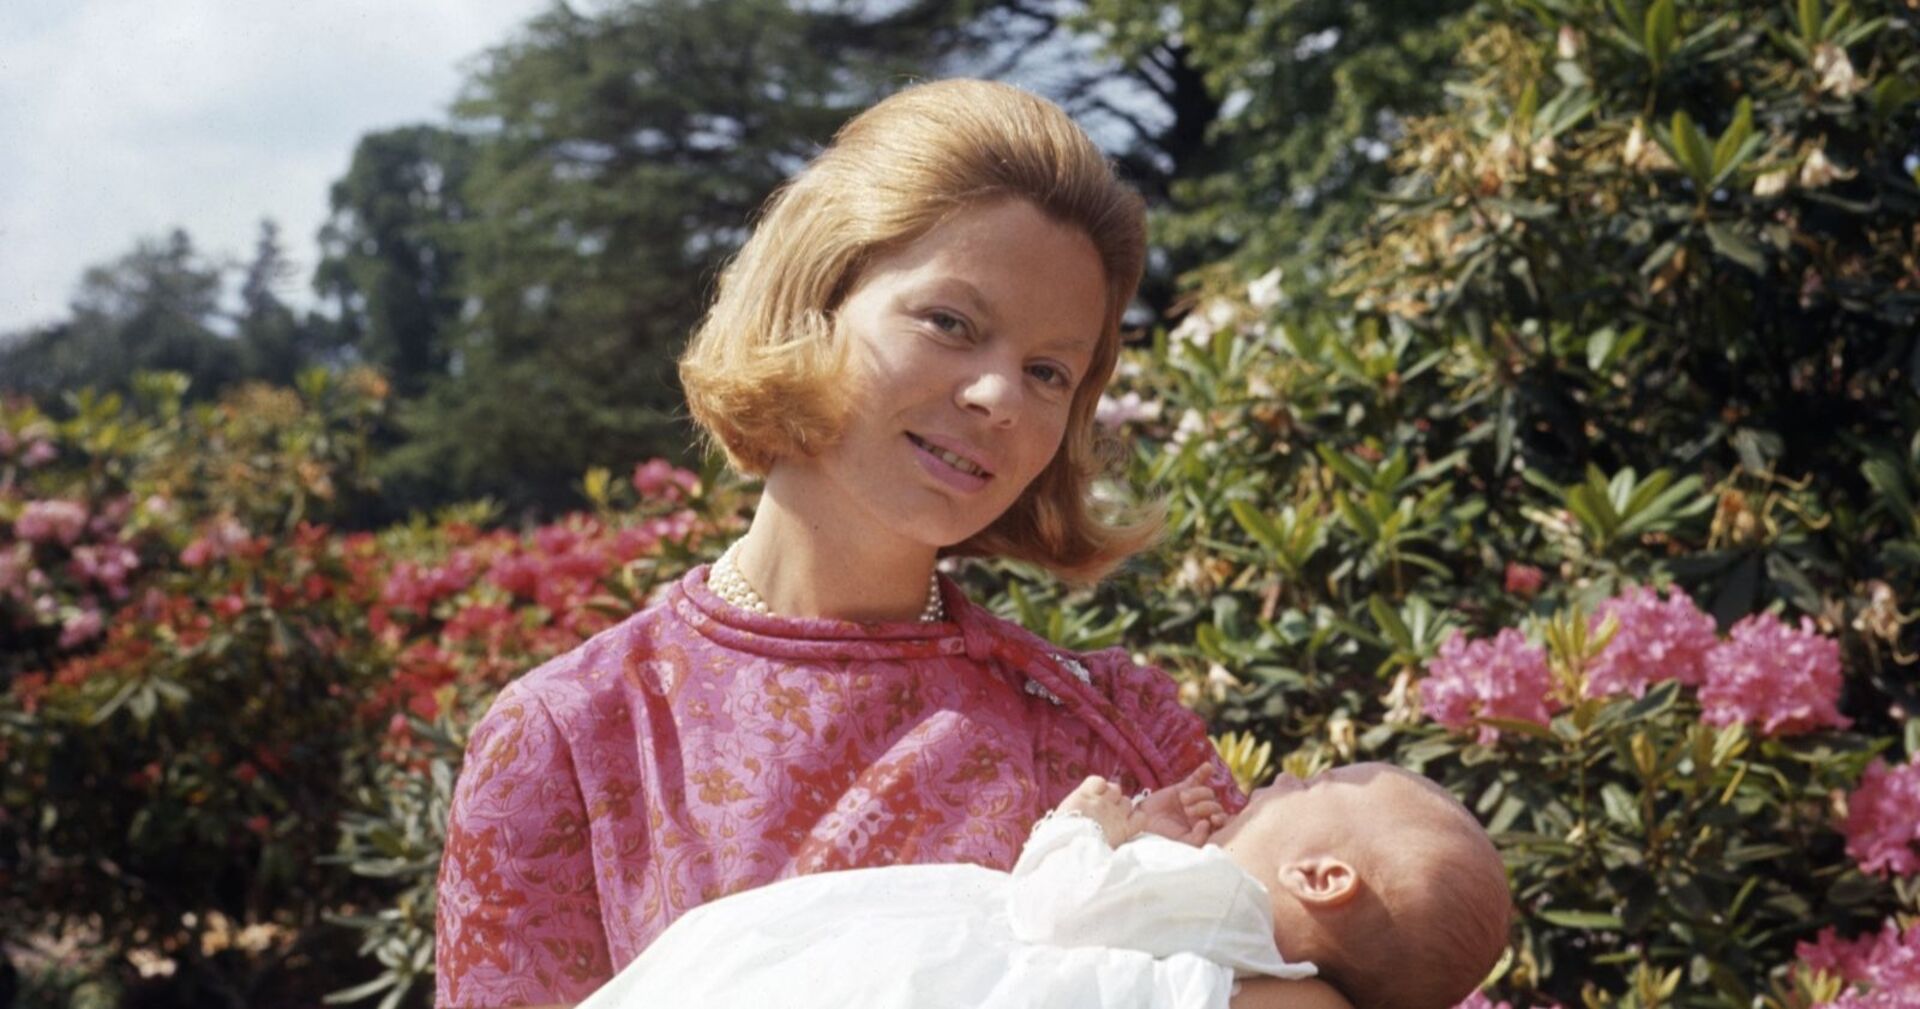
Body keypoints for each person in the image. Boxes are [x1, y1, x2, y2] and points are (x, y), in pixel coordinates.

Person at [435, 78, 1344, 1008]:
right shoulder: (572, 738)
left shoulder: (1119, 729)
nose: (1000, 396)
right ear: (816, 298)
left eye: (1047, 371)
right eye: (951, 323)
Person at [572, 762, 1512, 1009]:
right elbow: (1129, 921)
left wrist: (1084, 826)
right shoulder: (1258, 955)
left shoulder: (1229, 899)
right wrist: (1146, 845)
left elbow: (1059, 908)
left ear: (1322, 876)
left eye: (1310, 788)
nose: (1278, 779)